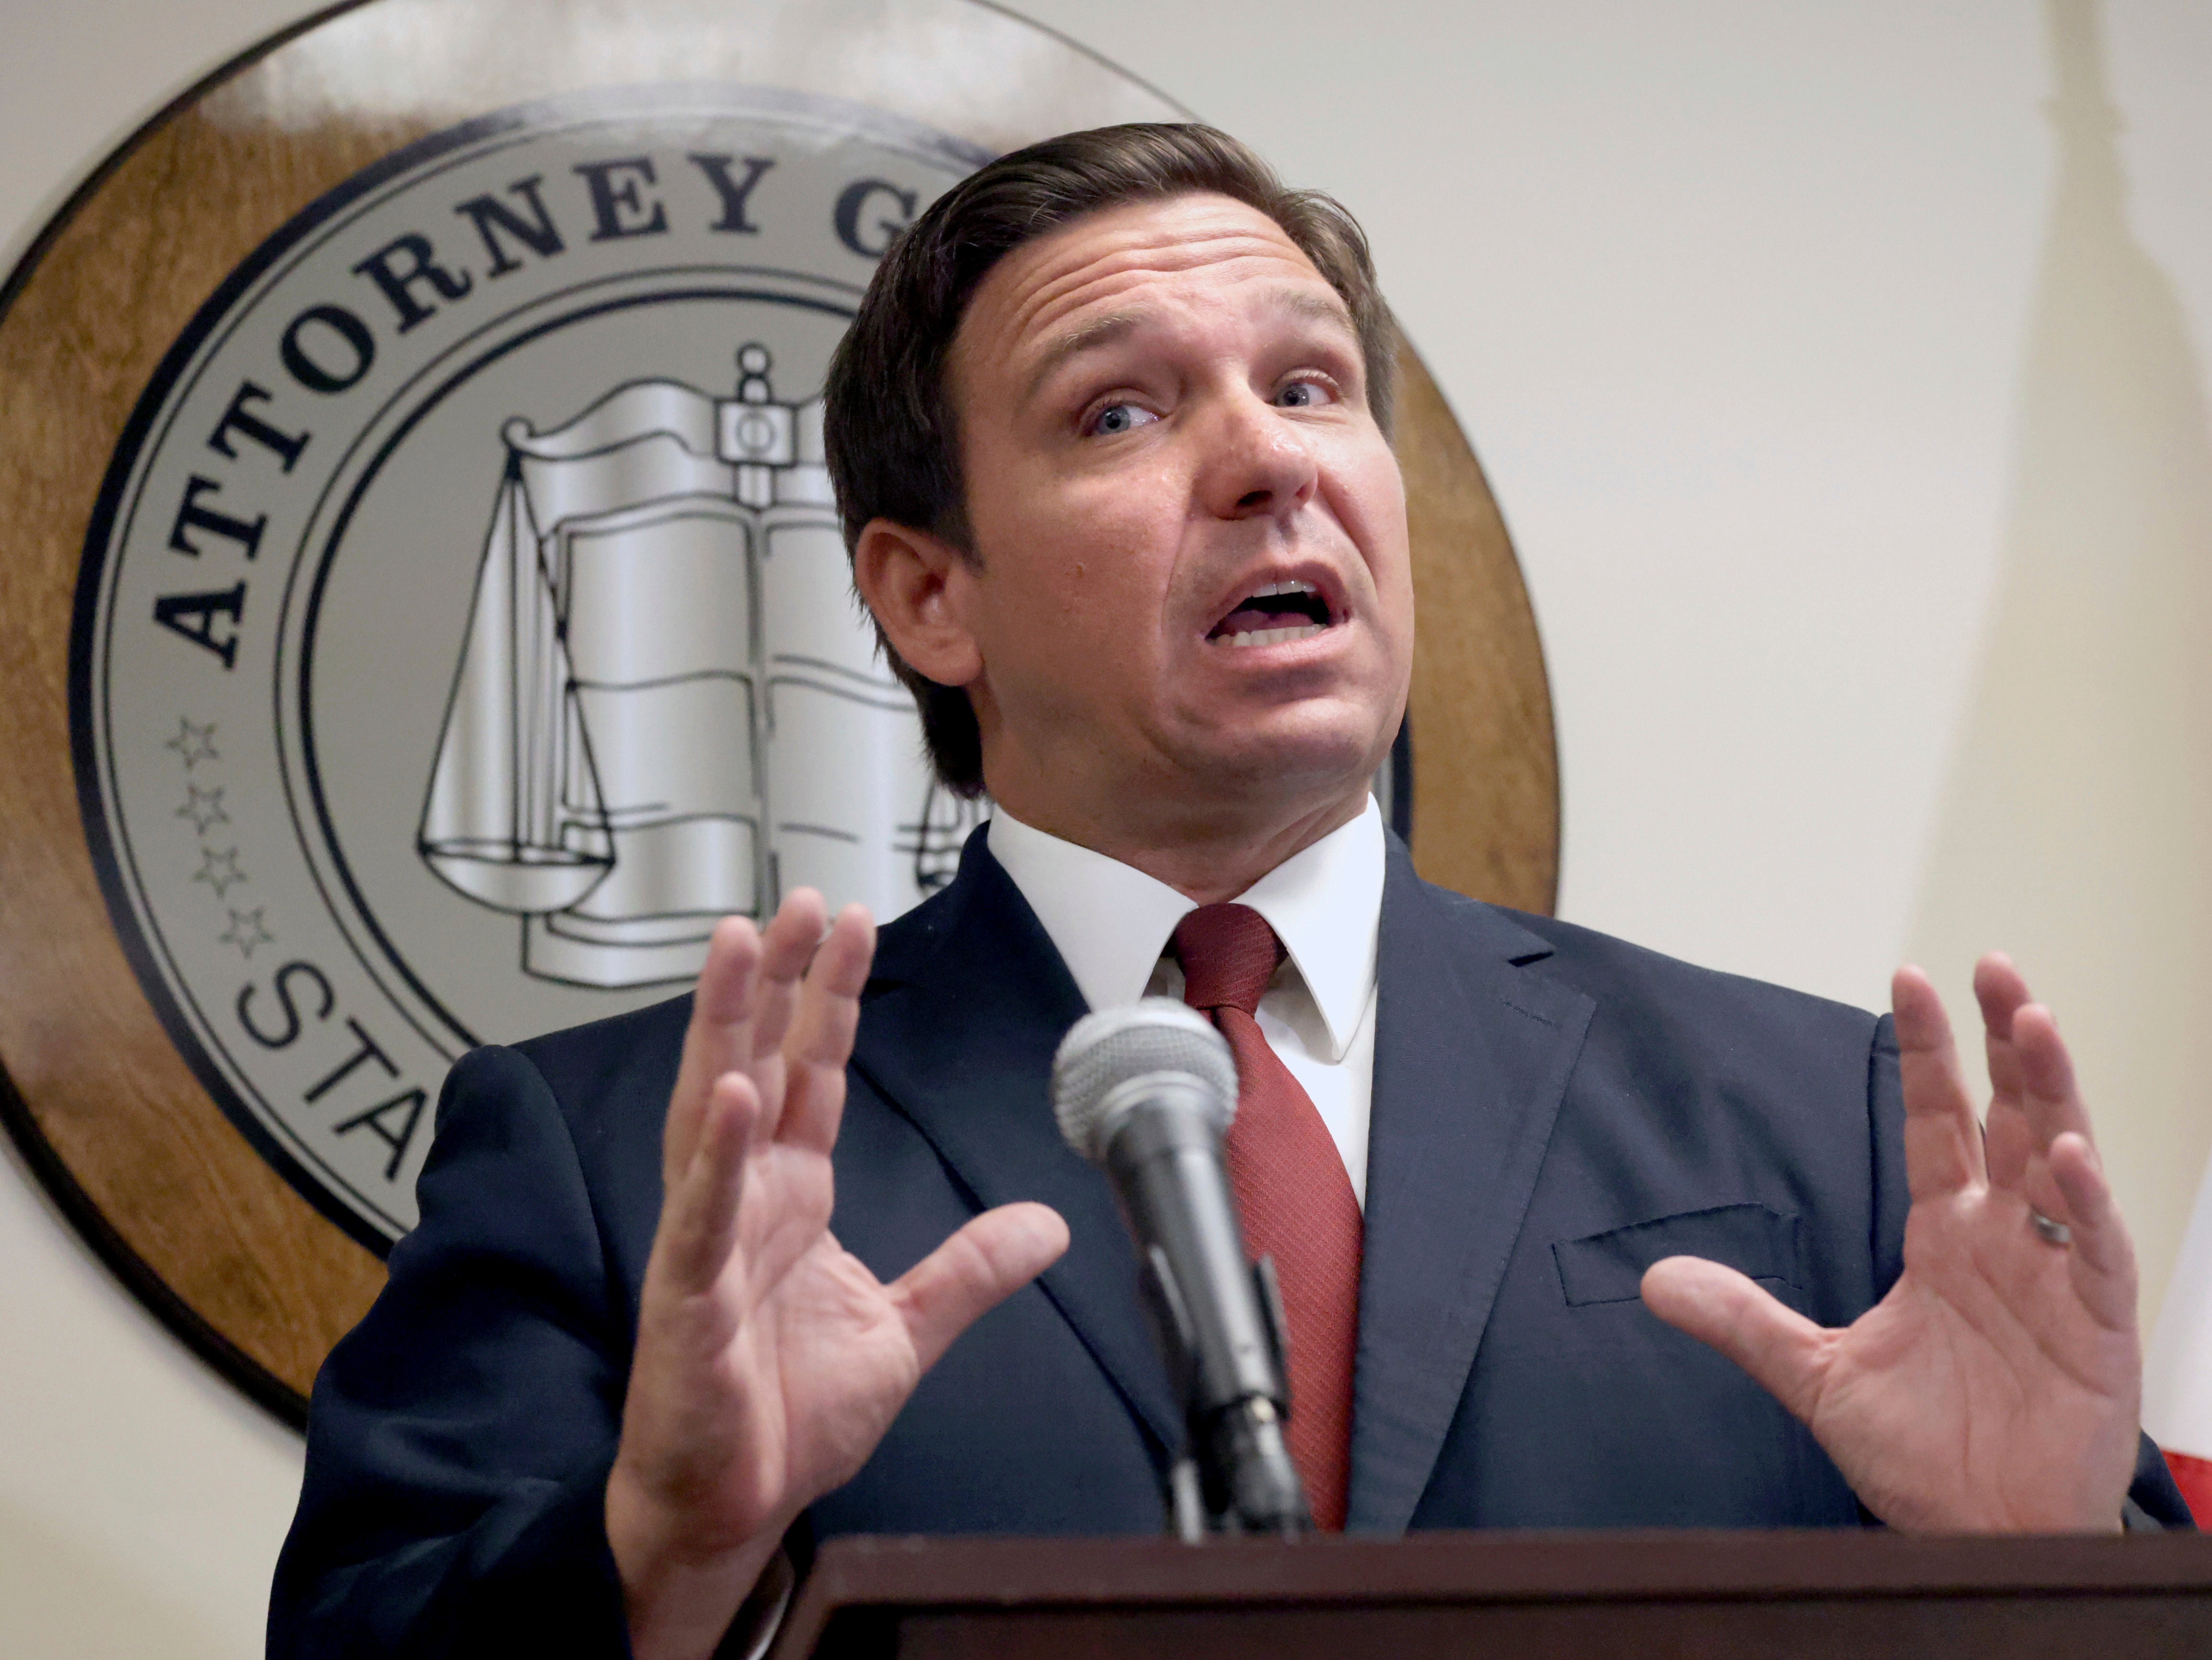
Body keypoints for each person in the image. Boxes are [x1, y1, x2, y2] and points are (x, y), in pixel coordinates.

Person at [268, 124, 2191, 1660]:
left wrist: (2054, 1569)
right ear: (928, 594)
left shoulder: (1819, 1127)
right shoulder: (618, 1160)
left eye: (1308, 385)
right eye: (1118, 412)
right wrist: (660, 1557)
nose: (1267, 459)